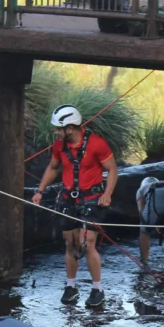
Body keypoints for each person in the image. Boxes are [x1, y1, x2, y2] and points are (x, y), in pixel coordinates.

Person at [31, 105, 118, 307]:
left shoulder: (97, 144)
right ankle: (71, 286)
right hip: (68, 198)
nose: (55, 132)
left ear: (70, 128)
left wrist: (107, 194)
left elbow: (112, 170)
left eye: (58, 129)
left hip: (91, 199)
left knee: (88, 243)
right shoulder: (59, 146)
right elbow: (53, 168)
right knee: (70, 243)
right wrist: (40, 190)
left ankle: (97, 289)